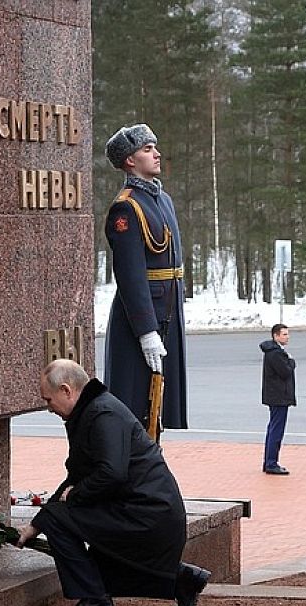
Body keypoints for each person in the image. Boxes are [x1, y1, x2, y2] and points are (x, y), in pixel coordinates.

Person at [17, 360, 211, 606]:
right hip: (147, 512)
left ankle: (94, 603)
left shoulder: (102, 414)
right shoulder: (92, 411)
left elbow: (111, 473)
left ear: (66, 390)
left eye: (48, 400)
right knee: (63, 525)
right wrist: (36, 525)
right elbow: (78, 476)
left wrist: (71, 499)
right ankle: (181, 580)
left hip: (149, 517)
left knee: (60, 520)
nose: (48, 408)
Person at [101, 123, 188, 433]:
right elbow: (130, 275)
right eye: (148, 149)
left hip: (167, 313)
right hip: (141, 321)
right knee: (137, 409)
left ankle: (150, 471)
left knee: (158, 408)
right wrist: (146, 330)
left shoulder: (163, 201)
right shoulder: (126, 207)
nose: (157, 153)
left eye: (155, 147)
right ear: (129, 160)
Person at [260, 324, 297, 475]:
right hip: (278, 397)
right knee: (276, 429)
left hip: (276, 396)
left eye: (287, 334)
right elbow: (285, 371)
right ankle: (271, 463)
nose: (287, 337)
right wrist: (291, 363)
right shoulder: (275, 354)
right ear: (275, 336)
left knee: (273, 428)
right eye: (284, 334)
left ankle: (269, 461)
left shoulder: (275, 352)